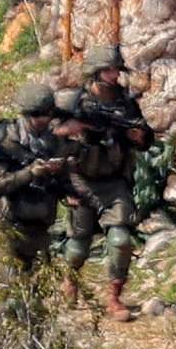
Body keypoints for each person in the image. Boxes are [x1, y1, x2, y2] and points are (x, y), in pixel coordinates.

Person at [57, 45, 155, 321]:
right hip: (81, 180)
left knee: (121, 239)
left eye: (116, 70)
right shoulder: (76, 103)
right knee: (77, 246)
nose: (114, 75)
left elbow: (145, 137)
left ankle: (113, 297)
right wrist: (77, 130)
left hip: (115, 182)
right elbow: (55, 137)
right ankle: (70, 282)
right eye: (108, 70)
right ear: (96, 72)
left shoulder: (125, 103)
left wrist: (138, 136)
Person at [0, 82, 77, 269]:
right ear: (25, 115)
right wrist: (29, 174)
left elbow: (63, 182)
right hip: (9, 226)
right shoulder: (7, 141)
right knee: (11, 291)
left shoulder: (55, 141)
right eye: (37, 115)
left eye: (47, 114)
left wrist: (67, 190)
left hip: (40, 227)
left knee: (36, 290)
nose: (43, 120)